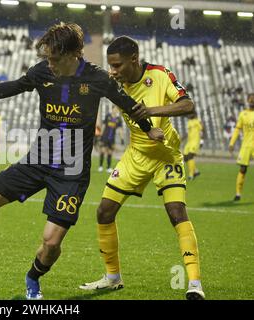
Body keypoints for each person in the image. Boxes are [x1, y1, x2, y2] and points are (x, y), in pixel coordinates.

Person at [0, 23, 162, 300]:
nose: (49, 64)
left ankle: (33, 277)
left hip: (71, 172)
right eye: (47, 58)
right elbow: (15, 86)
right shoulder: (42, 73)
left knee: (51, 243)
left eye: (54, 58)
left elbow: (125, 102)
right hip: (37, 160)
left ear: (74, 54)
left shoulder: (97, 78)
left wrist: (149, 128)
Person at [79, 36, 205, 300]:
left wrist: (152, 110)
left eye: (117, 65)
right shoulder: (113, 82)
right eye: (110, 66)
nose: (113, 71)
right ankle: (112, 277)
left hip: (166, 154)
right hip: (135, 154)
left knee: (176, 213)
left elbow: (188, 104)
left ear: (134, 60)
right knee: (104, 211)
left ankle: (194, 284)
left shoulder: (160, 75)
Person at [228, 93, 254, 201]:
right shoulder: (243, 114)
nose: (251, 101)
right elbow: (237, 129)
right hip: (246, 145)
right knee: (243, 169)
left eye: (253, 99)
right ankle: (238, 193)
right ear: (247, 100)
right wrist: (232, 143)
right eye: (250, 99)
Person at [98, 105, 124, 173]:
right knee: (103, 151)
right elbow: (103, 125)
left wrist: (122, 138)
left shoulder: (118, 119)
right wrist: (101, 135)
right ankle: (100, 166)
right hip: (105, 137)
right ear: (112, 109)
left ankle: (108, 168)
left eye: (117, 109)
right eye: (115, 109)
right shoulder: (108, 116)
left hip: (112, 138)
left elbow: (120, 129)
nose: (116, 110)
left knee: (110, 152)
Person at [183, 112, 203, 180]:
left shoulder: (198, 121)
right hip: (189, 142)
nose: (188, 115)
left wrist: (202, 141)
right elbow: (188, 132)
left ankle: (191, 175)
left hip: (195, 141)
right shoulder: (189, 122)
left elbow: (202, 130)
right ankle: (196, 171)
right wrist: (182, 138)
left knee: (190, 156)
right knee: (185, 157)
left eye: (189, 114)